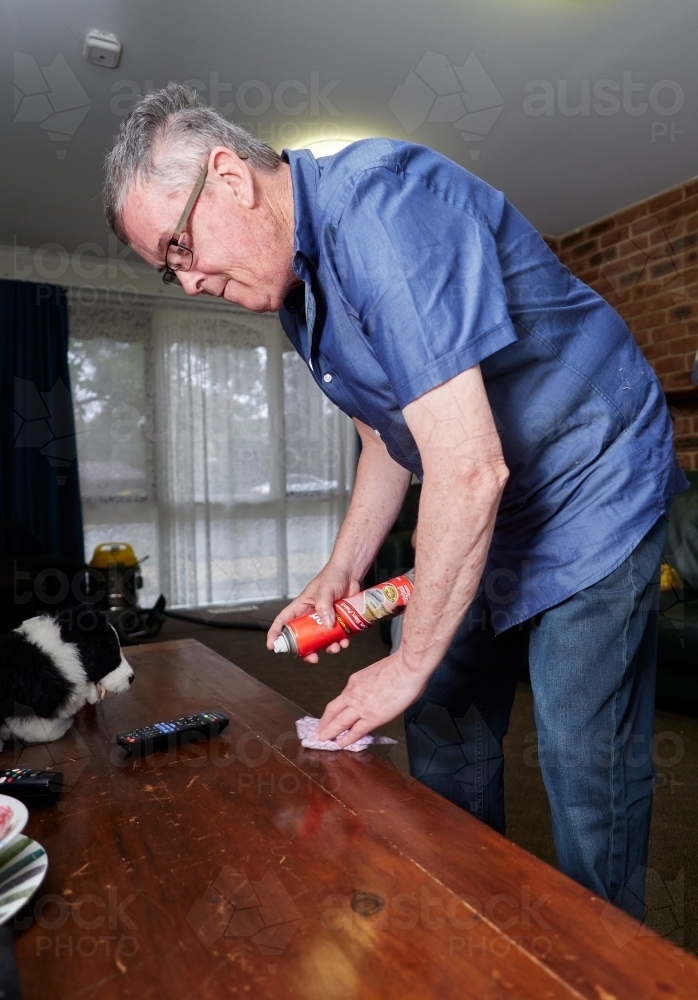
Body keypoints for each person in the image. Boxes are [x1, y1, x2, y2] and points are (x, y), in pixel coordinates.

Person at [103, 84, 687, 918]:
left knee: (579, 753)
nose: (188, 281)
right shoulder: (297, 291)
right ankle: (470, 923)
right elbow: (389, 434)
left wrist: (406, 662)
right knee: (443, 714)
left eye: (181, 247)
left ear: (229, 178)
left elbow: (469, 468)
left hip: (592, 479)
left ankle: (609, 963)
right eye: (170, 269)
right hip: (488, 491)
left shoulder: (384, 211)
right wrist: (340, 572)